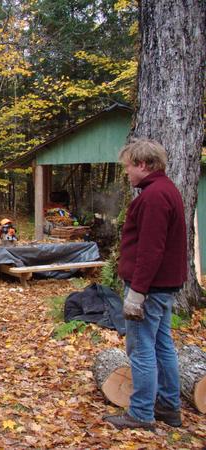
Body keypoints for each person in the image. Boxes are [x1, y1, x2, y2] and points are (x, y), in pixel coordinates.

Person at [104, 138, 187, 430]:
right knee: (162, 345)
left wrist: (137, 293)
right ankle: (168, 406)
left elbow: (151, 250)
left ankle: (141, 413)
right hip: (163, 286)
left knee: (140, 349)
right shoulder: (166, 190)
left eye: (128, 167)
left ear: (142, 164)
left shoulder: (153, 197)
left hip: (150, 289)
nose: (127, 172)